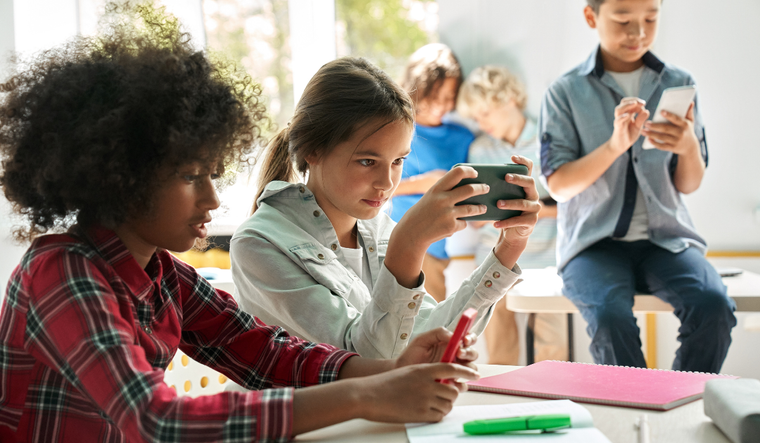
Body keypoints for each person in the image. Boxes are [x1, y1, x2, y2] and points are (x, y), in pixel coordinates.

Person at [0, 4, 483, 441]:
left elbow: (267, 352)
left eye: (212, 174)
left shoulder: (165, 276)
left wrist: (387, 370)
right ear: (121, 176)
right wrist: (367, 394)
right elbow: (156, 420)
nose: (212, 198)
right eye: (191, 176)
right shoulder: (61, 272)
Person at [230, 57, 541, 360]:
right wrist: (409, 244)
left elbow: (429, 337)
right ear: (313, 149)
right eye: (368, 161)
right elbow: (369, 363)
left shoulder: (377, 229)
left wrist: (509, 248)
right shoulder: (259, 244)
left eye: (398, 161)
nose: (386, 182)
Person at [539, 0, 736, 372]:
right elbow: (559, 186)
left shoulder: (679, 82)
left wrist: (688, 146)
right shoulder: (564, 92)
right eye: (623, 19)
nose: (638, 32)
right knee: (611, 321)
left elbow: (689, 184)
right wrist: (614, 146)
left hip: (667, 240)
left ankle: (676, 410)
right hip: (592, 245)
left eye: (650, 18)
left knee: (714, 307)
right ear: (590, 16)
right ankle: (634, 415)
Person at [458, 65, 567, 365]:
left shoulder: (550, 141)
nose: (481, 122)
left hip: (546, 260)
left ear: (509, 100)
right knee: (498, 345)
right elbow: (476, 215)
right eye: (476, 116)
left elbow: (570, 203)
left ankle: (551, 403)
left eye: (486, 113)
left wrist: (532, 210)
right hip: (493, 257)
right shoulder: (480, 149)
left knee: (553, 347)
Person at [387, 43, 474, 301]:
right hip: (397, 239)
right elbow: (376, 188)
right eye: (435, 96)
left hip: (438, 246)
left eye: (449, 97)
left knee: (430, 326)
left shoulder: (463, 138)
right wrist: (425, 183)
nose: (442, 105)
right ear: (417, 88)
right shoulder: (396, 129)